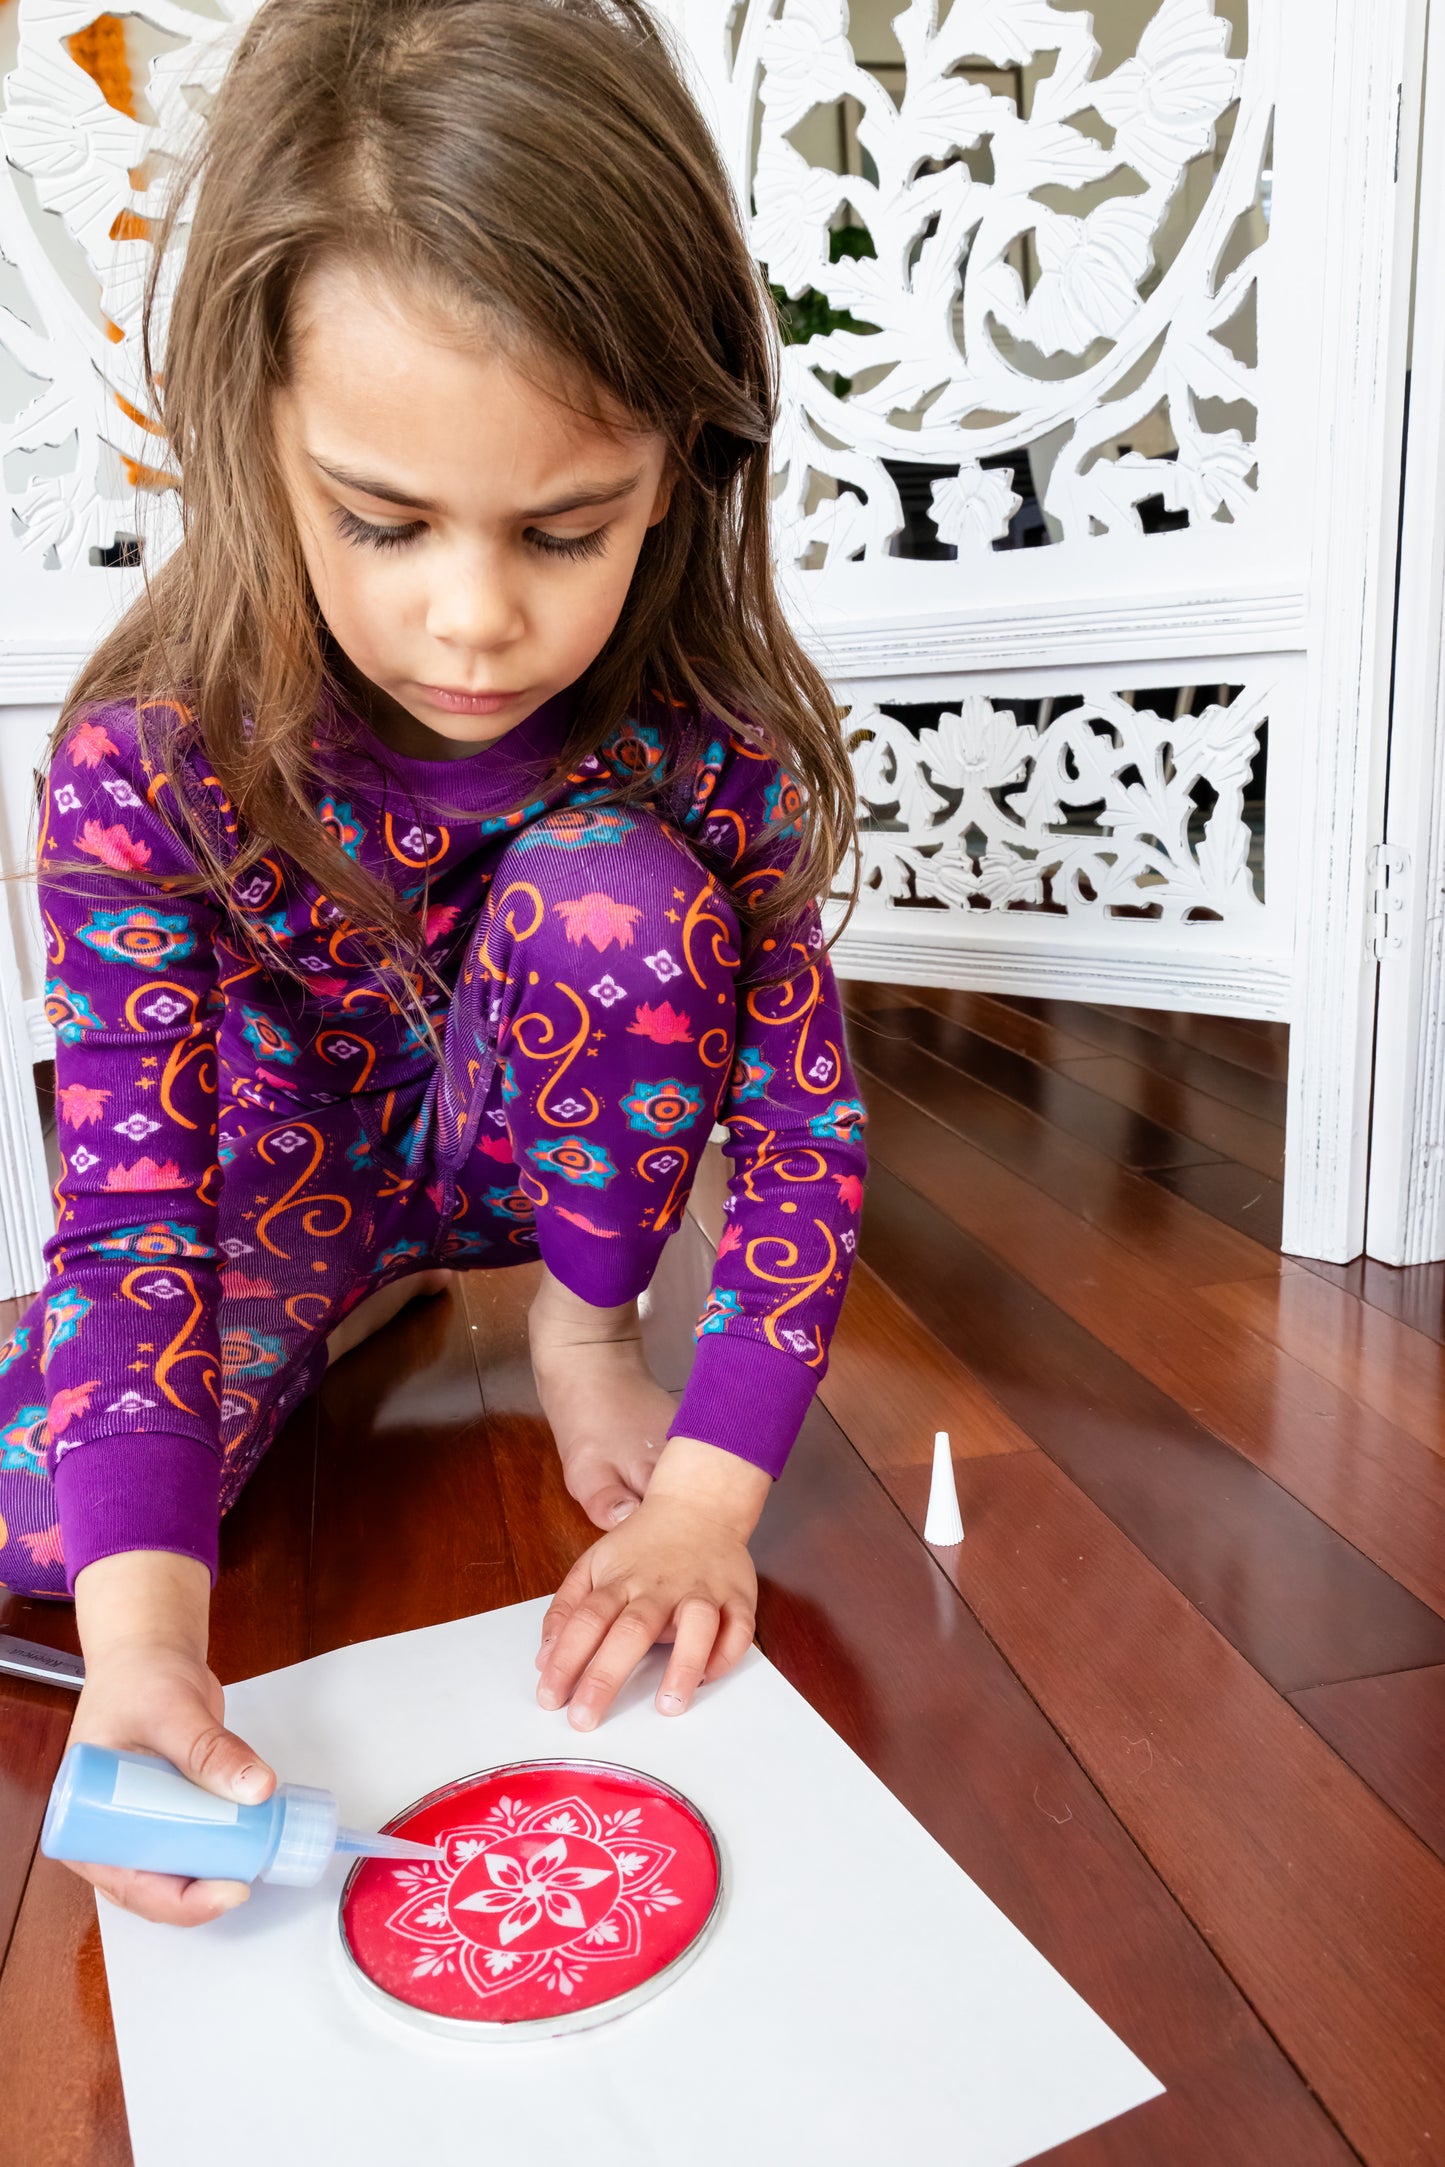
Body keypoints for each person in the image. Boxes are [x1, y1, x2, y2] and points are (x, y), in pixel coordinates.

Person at [0, 0, 866, 1926]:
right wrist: (148, 1653)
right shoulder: (143, 759)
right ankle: (359, 1301)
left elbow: (806, 1147)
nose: (472, 621)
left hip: (564, 1188)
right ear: (258, 439)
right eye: (379, 521)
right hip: (279, 1212)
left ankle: (559, 1325)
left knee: (614, 896)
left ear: (677, 468)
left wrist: (708, 1494)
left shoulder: (701, 746)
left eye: (566, 528)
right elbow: (127, 1216)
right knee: (57, 1518)